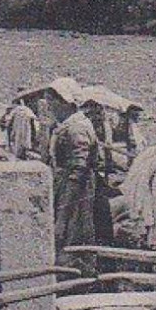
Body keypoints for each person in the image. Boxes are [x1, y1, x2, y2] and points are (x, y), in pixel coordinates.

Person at [51, 98, 104, 257]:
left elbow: (79, 168)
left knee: (72, 230)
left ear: (66, 104)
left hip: (76, 190)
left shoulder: (77, 127)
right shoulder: (70, 124)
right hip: (69, 184)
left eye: (53, 102)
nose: (51, 107)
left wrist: (63, 211)